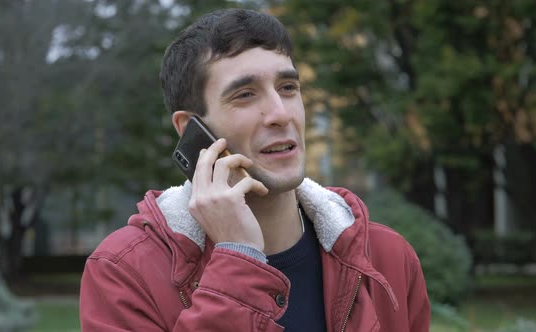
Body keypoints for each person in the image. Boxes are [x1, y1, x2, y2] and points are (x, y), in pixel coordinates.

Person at [80, 8, 430, 332]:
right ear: (191, 129)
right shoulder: (124, 272)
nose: (281, 113)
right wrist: (238, 259)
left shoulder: (387, 258)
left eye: (288, 88)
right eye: (245, 95)